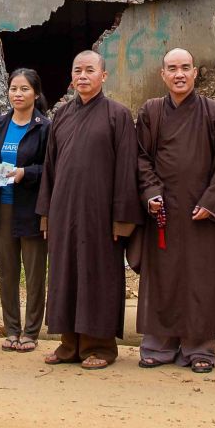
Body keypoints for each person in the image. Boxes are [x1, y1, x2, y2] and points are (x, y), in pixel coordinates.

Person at [37, 50, 142, 370]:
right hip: (64, 211)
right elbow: (50, 167)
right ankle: (69, 343)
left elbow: (127, 167)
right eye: (77, 71)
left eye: (89, 70)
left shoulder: (118, 114)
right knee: (65, 274)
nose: (83, 76)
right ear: (71, 78)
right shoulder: (62, 116)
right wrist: (46, 215)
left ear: (104, 76)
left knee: (98, 276)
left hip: (100, 215)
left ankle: (101, 346)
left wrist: (122, 218)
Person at [135, 48, 215, 373]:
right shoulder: (151, 112)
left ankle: (199, 348)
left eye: (185, 68)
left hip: (199, 211)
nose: (179, 74)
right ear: (162, 74)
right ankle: (159, 345)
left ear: (195, 72)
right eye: (172, 68)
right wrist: (150, 192)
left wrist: (210, 201)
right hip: (162, 209)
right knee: (162, 276)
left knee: (199, 278)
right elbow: (141, 158)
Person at [0, 68, 51, 353]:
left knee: (34, 275)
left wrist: (24, 173)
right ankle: (11, 330)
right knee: (6, 274)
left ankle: (31, 332)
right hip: (1, 210)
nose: (17, 94)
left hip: (31, 211)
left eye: (24, 89)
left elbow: (50, 169)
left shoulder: (44, 127)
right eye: (13, 89)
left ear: (36, 93)